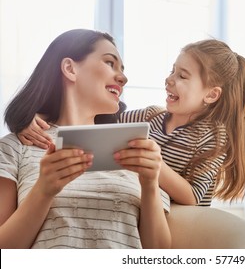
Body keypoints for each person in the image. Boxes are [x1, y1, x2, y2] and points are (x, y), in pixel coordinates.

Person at [17, 39, 245, 207]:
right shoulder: (150, 117)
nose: (169, 80)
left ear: (211, 95)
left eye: (182, 76)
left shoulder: (213, 137)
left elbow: (193, 196)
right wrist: (36, 119)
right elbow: (101, 119)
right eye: (172, 71)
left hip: (176, 220)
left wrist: (153, 165)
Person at [0, 29, 171, 249]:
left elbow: (158, 253)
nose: (123, 78)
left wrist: (149, 186)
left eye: (122, 69)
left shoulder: (136, 149)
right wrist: (44, 190)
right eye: (110, 63)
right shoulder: (16, 147)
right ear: (70, 69)